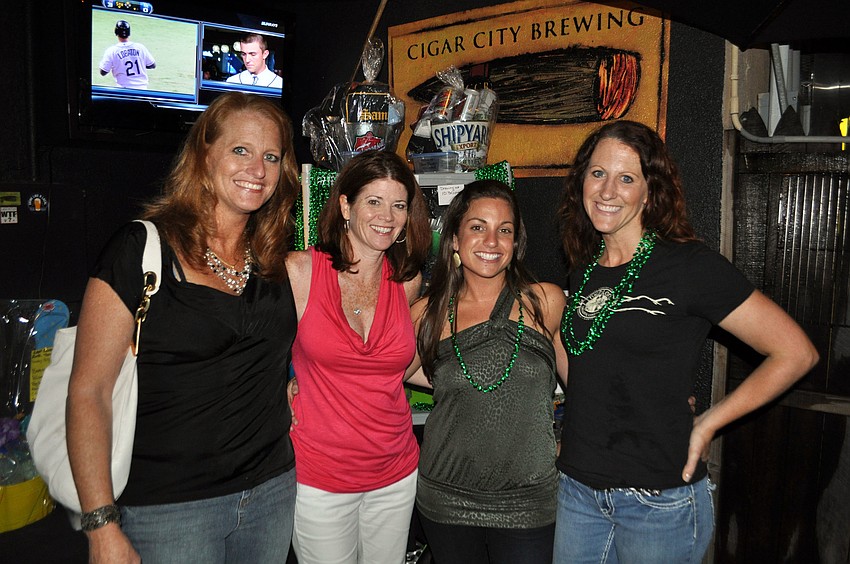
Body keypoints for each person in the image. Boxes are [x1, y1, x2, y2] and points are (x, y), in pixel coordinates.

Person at [553, 120, 819, 562]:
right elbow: (591, 365)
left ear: (649, 191)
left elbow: (796, 352)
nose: (606, 191)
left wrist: (710, 422)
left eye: (626, 178)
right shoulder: (583, 268)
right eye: (597, 173)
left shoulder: (690, 266)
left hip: (657, 500)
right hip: (578, 491)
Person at [66, 92, 301, 563]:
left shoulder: (276, 259)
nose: (258, 168)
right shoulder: (141, 248)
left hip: (272, 492)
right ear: (204, 154)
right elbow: (88, 392)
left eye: (271, 156)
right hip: (169, 509)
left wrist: (289, 382)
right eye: (241, 150)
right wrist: (100, 524)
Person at [409, 179, 568, 564]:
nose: (491, 241)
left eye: (505, 230)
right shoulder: (427, 313)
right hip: (446, 498)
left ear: (516, 244)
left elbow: (587, 384)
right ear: (454, 241)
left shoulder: (545, 301)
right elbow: (381, 375)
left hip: (529, 501)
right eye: (478, 227)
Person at [286, 150, 431, 564]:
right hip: (320, 478)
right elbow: (257, 349)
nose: (387, 215)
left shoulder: (407, 282)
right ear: (346, 205)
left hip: (396, 471)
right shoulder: (300, 271)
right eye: (374, 201)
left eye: (399, 205)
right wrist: (281, 381)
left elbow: (402, 368)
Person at [99, 20, 156, 89]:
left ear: (116, 32)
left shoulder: (111, 51)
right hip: (142, 90)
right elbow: (152, 65)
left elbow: (103, 72)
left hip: (124, 92)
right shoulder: (140, 47)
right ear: (129, 33)